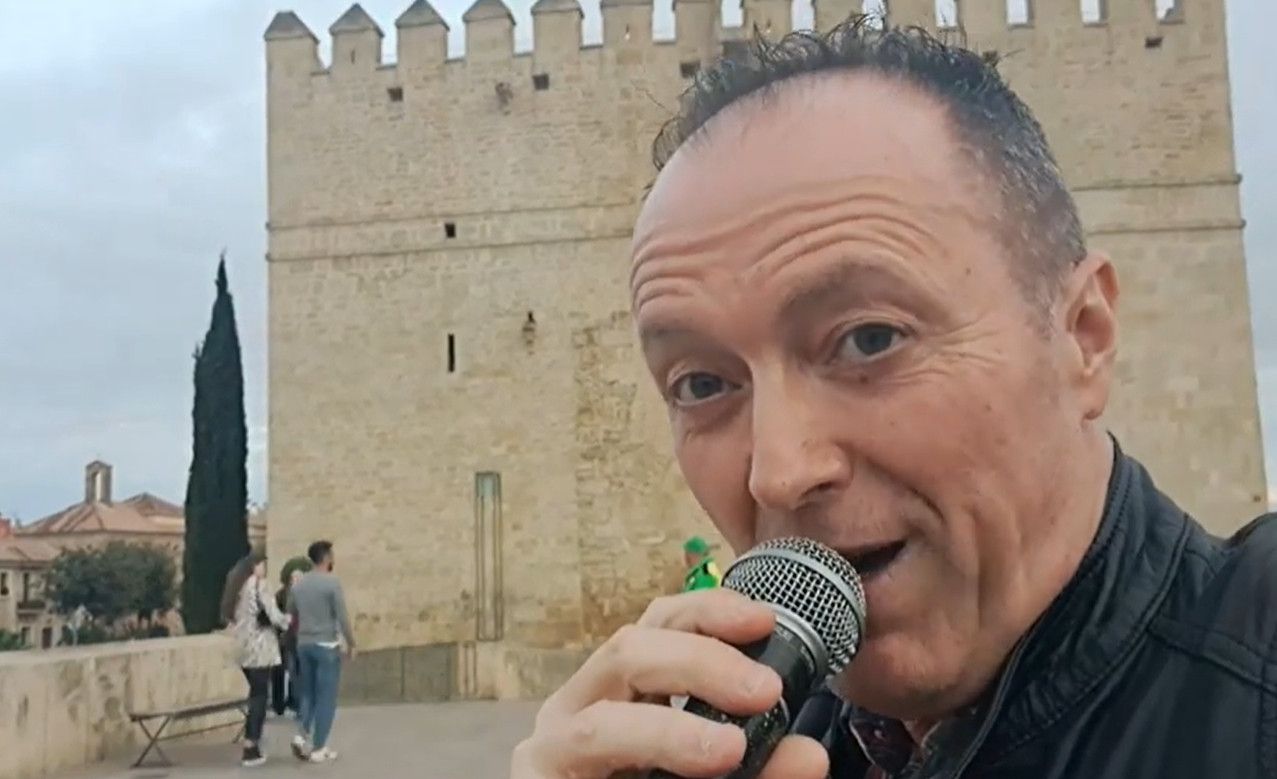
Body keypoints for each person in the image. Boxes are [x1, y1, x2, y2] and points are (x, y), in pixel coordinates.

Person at [510, 18, 1277, 779]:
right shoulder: (772, 744)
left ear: (1082, 335)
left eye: (869, 339)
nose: (777, 472)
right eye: (703, 384)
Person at [219, 550, 291, 768]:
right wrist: (288, 620)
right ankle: (250, 746)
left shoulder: (237, 588)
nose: (265, 569)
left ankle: (253, 745)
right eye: (263, 565)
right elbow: (273, 614)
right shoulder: (259, 585)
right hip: (260, 649)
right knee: (259, 697)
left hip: (244, 648)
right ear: (256, 566)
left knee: (255, 694)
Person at [287, 540, 356, 763]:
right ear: (326, 558)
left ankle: (301, 735)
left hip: (303, 644)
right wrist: (351, 643)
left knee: (307, 693)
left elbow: (290, 610)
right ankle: (319, 747)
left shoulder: (298, 585)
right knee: (326, 697)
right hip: (326, 644)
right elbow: (342, 616)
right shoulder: (331, 583)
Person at [270, 555, 312, 717]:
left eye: (298, 578)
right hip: (289, 640)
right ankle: (291, 704)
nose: (295, 581)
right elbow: (279, 616)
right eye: (293, 578)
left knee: (300, 673)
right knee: (293, 673)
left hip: (303, 639)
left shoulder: (307, 595)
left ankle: (300, 705)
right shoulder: (282, 595)